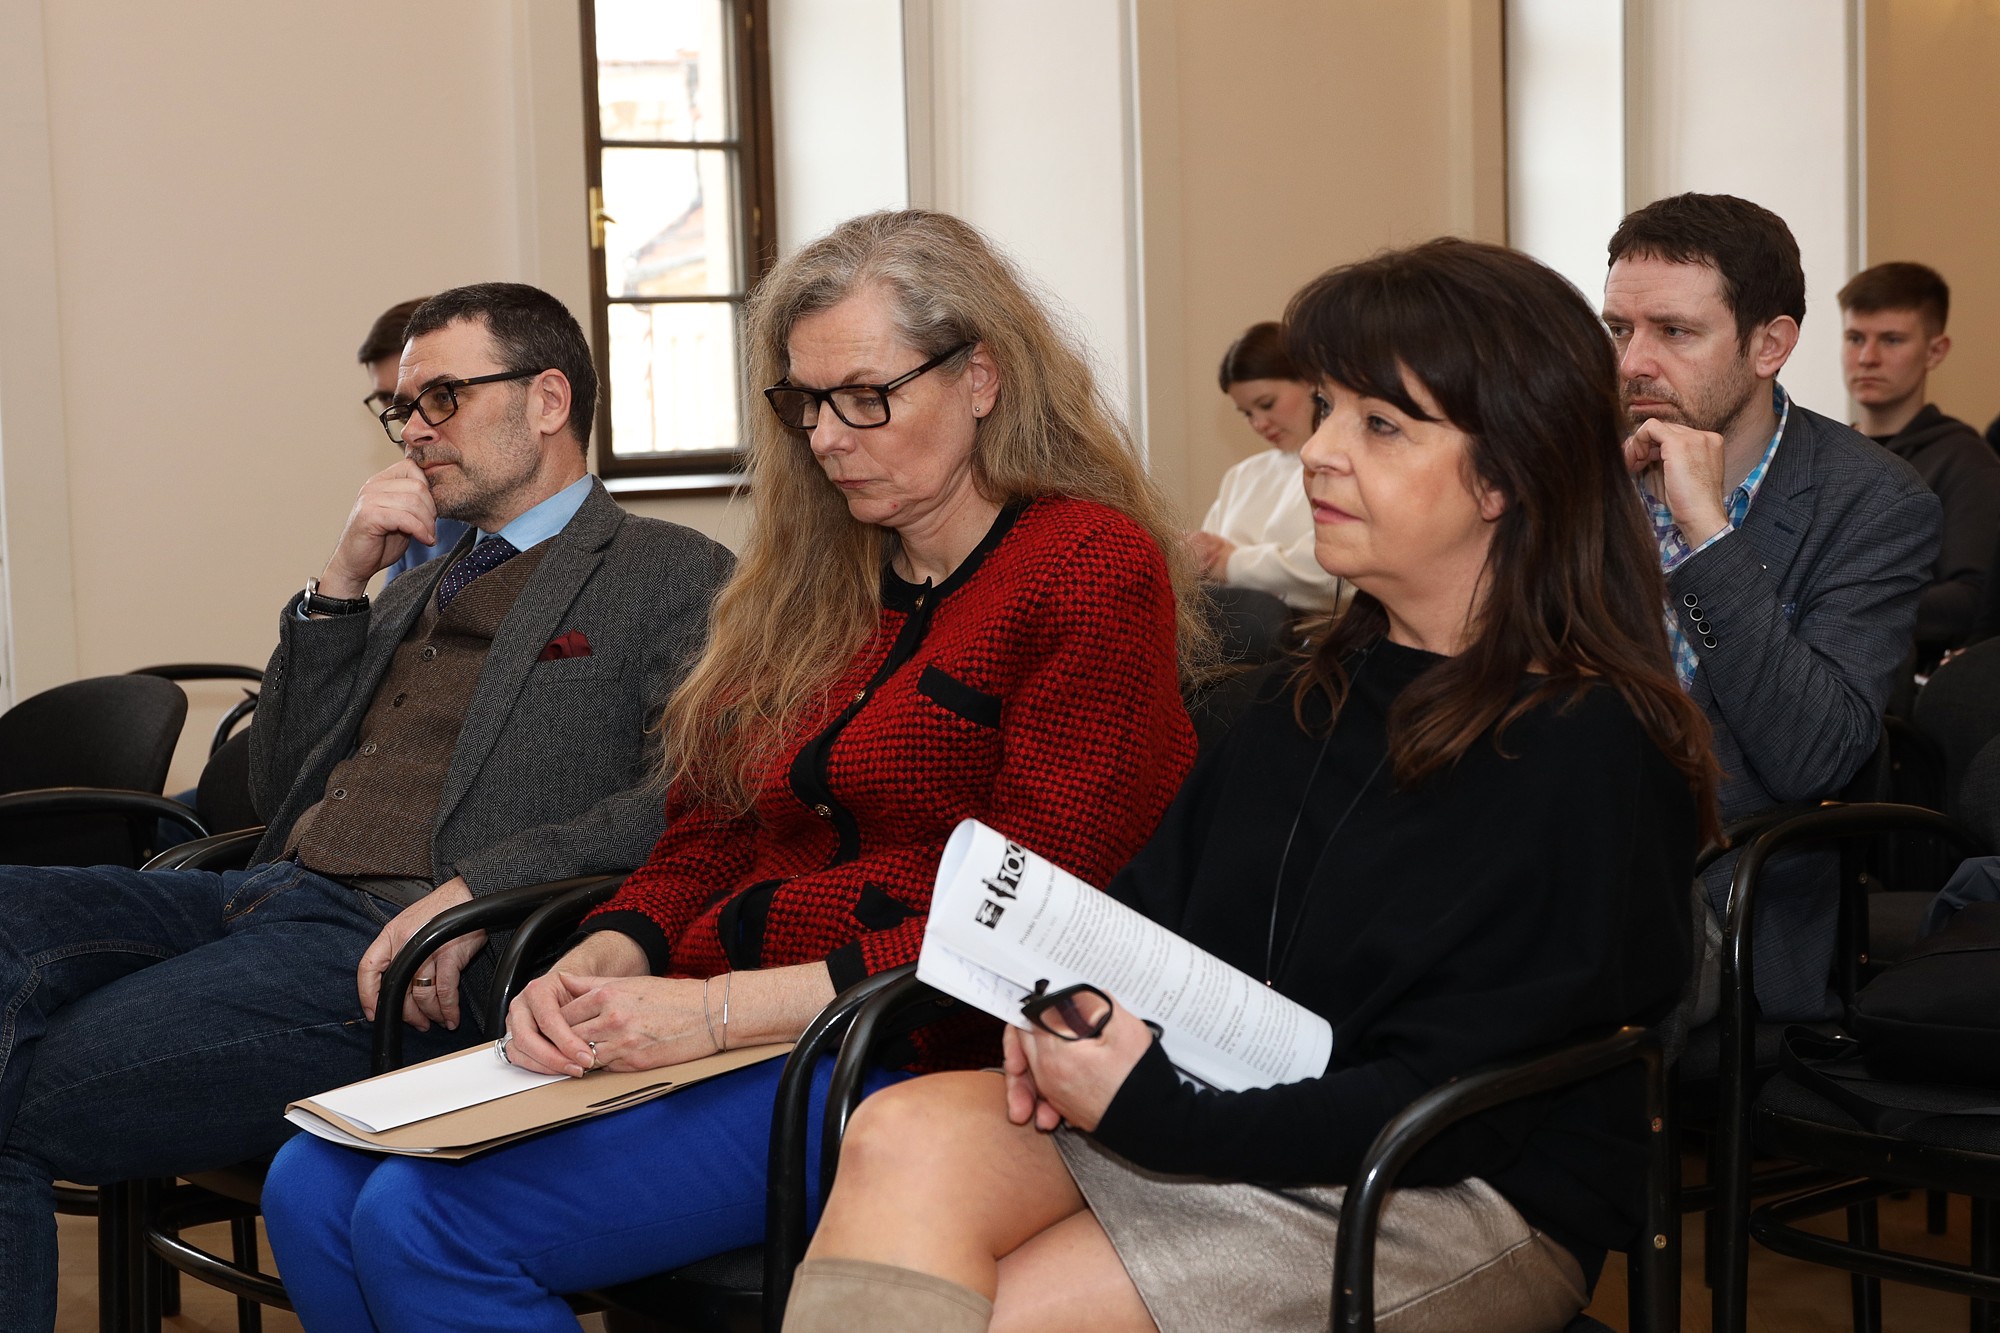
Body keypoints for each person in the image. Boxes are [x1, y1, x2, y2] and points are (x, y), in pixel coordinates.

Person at [259, 208, 1206, 1332]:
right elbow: (708, 826)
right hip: (721, 1015)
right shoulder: (810, 579)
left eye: (866, 396)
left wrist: (714, 1012)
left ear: (981, 378)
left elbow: (1042, 916)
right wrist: (610, 948)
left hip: (903, 1041)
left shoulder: (1083, 567)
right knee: (309, 1185)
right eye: (805, 403)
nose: (829, 438)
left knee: (423, 1222)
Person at [782, 238, 1719, 1333]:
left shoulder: (1592, 744)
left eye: (1379, 424)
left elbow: (1455, 1101)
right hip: (1222, 1105)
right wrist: (1063, 1018)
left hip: (1439, 1186)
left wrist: (1160, 1113)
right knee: (895, 1129)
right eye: (1324, 410)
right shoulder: (1307, 693)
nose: (1316, 452)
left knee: (1007, 1314)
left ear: (1508, 475)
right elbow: (1145, 915)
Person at [0, 282, 733, 1330]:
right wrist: (338, 587)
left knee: (21, 1104)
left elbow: (692, 800)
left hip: (399, 953)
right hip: (261, 894)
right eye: (402, 408)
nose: (415, 428)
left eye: (442, 398)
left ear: (547, 400)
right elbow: (274, 785)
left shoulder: (673, 571)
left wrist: (479, 886)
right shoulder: (418, 576)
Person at [1601, 193, 1940, 1020]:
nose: (1634, 362)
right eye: (1618, 329)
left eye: (1674, 331)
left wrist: (1707, 535)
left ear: (1770, 345)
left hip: (1718, 895)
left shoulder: (1873, 502)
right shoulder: (1580, 472)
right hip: (1556, 852)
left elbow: (1812, 757)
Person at [1838, 262, 2000, 664]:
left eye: (1891, 340)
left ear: (1935, 351)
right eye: (1855, 338)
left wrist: (1843, 608)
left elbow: (1973, 599)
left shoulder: (1966, 461)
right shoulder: (1822, 454)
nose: (1867, 357)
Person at [1191, 321, 1348, 615]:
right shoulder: (1243, 475)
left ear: (1311, 382)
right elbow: (1206, 568)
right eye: (1247, 413)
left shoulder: (1344, 467)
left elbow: (1333, 575)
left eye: (1267, 404)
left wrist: (1231, 563)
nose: (1259, 423)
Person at [359, 296, 474, 579]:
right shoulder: (412, 513)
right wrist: (346, 574)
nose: (409, 428)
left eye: (439, 397)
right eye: (390, 400)